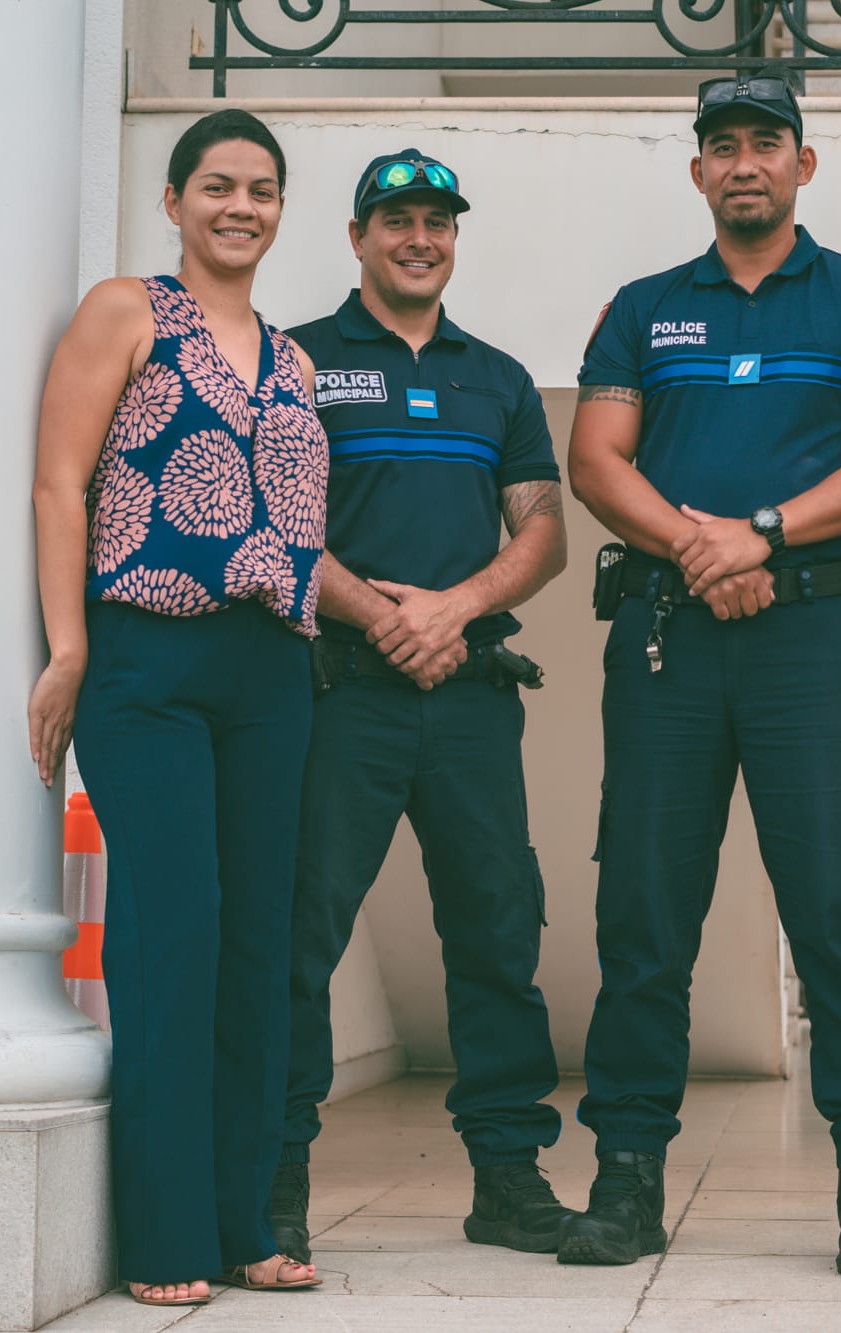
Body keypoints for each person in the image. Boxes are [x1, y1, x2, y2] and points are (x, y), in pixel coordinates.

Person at [562, 71, 841, 1276]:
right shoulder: (642, 307)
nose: (742, 163)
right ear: (697, 171)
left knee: (835, 908)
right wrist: (698, 543)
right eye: (719, 145)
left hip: (814, 638)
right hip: (672, 632)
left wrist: (761, 531)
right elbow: (594, 455)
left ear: (801, 165)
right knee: (646, 914)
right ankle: (624, 1179)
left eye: (763, 143)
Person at [25, 109, 326, 1307]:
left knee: (258, 940)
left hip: (270, 669)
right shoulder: (126, 311)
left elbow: (297, 533)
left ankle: (246, 1224)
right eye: (216, 186)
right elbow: (60, 479)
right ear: (173, 201)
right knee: (173, 930)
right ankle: (162, 1237)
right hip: (147, 659)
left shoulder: (297, 362)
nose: (239, 206)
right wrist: (67, 646)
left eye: (260, 189)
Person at [273, 149, 572, 1259]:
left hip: (470, 698)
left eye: (436, 221)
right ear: (356, 236)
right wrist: (379, 616)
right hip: (337, 693)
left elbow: (540, 529)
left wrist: (452, 609)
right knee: (301, 934)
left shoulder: (495, 375)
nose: (418, 238)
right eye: (394, 219)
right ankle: (275, 1177)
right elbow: (268, 518)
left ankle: (509, 1178)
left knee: (497, 931)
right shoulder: (293, 360)